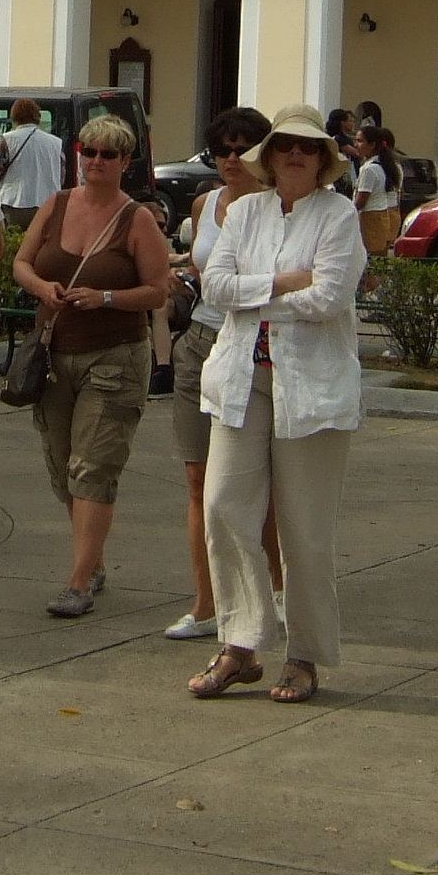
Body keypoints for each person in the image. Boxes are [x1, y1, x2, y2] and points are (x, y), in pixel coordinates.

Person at [188, 105, 367, 706]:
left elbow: (331, 296)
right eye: (285, 145)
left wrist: (256, 293)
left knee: (305, 530)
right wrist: (286, 281)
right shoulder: (244, 211)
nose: (295, 155)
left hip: (310, 388)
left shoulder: (339, 215)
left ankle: (304, 655)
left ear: (323, 161)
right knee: (222, 506)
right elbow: (213, 286)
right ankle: (240, 643)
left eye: (308, 148)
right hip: (241, 379)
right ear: (267, 156)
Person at [11, 112, 168, 617]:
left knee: (93, 465)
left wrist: (103, 297)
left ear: (125, 161)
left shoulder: (136, 219)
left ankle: (78, 581)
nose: (96, 162)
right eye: (89, 152)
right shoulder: (56, 205)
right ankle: (92, 558)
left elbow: (157, 290)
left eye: (107, 154)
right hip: (54, 355)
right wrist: (42, 289)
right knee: (62, 468)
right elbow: (21, 262)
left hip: (114, 357)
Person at [166, 107, 278, 641]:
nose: (232, 160)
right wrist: (181, 276)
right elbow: (200, 262)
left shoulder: (279, 208)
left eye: (242, 149)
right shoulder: (205, 203)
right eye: (222, 151)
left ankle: (274, 596)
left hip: (255, 346)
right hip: (201, 343)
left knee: (263, 485)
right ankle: (206, 602)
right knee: (198, 481)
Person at [0, 98, 64, 231]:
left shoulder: (7, 139)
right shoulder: (56, 143)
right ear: (37, 116)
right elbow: (61, 176)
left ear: (14, 116)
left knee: (14, 245)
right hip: (48, 203)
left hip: (14, 204)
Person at [353, 124, 402, 258]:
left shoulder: (370, 169)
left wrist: (346, 211)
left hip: (371, 218)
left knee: (372, 261)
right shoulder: (384, 165)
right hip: (383, 215)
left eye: (360, 141)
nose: (356, 145)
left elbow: (361, 201)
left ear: (372, 145)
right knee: (379, 259)